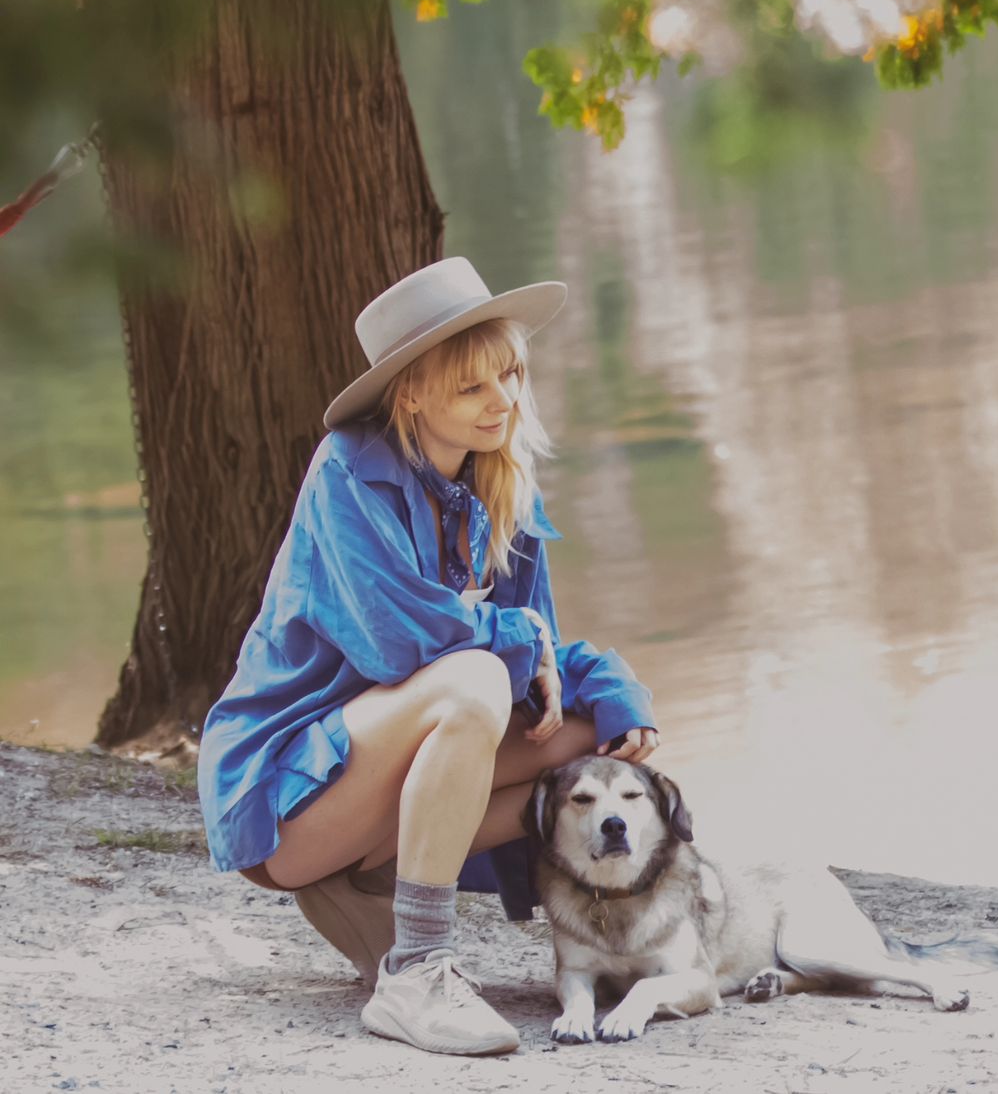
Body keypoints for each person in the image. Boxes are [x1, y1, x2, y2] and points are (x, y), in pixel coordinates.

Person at [197, 256, 659, 1056]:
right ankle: (415, 969)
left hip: (367, 789)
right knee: (473, 681)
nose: (503, 401)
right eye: (473, 387)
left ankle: (370, 885)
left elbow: (535, 663)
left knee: (586, 738)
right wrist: (525, 645)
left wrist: (613, 690)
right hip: (284, 792)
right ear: (410, 393)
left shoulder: (502, 482)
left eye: (510, 375)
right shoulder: (348, 473)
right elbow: (399, 639)